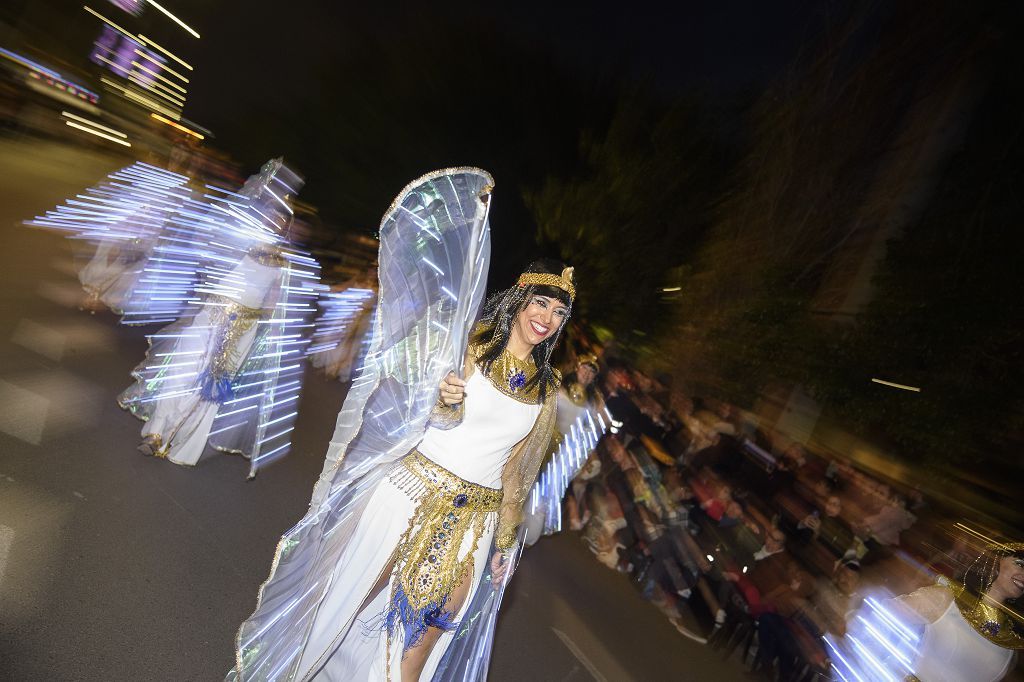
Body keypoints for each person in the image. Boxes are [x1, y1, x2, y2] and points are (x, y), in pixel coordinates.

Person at [228, 168, 575, 681]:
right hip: (408, 495)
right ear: (521, 300)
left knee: (419, 644)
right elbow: (407, 401)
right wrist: (440, 397)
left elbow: (516, 475)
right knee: (342, 609)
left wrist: (504, 543)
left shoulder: (548, 391)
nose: (546, 317)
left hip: (472, 528)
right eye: (541, 302)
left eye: (559, 312)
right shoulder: (469, 344)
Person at [118, 160, 317, 476]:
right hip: (212, 316)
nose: (277, 220)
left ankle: (177, 442)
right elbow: (205, 250)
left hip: (245, 329)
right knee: (183, 371)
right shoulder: (239, 238)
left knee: (211, 390)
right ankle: (157, 431)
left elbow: (275, 304)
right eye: (272, 213)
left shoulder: (285, 262)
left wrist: (268, 332)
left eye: (283, 219)